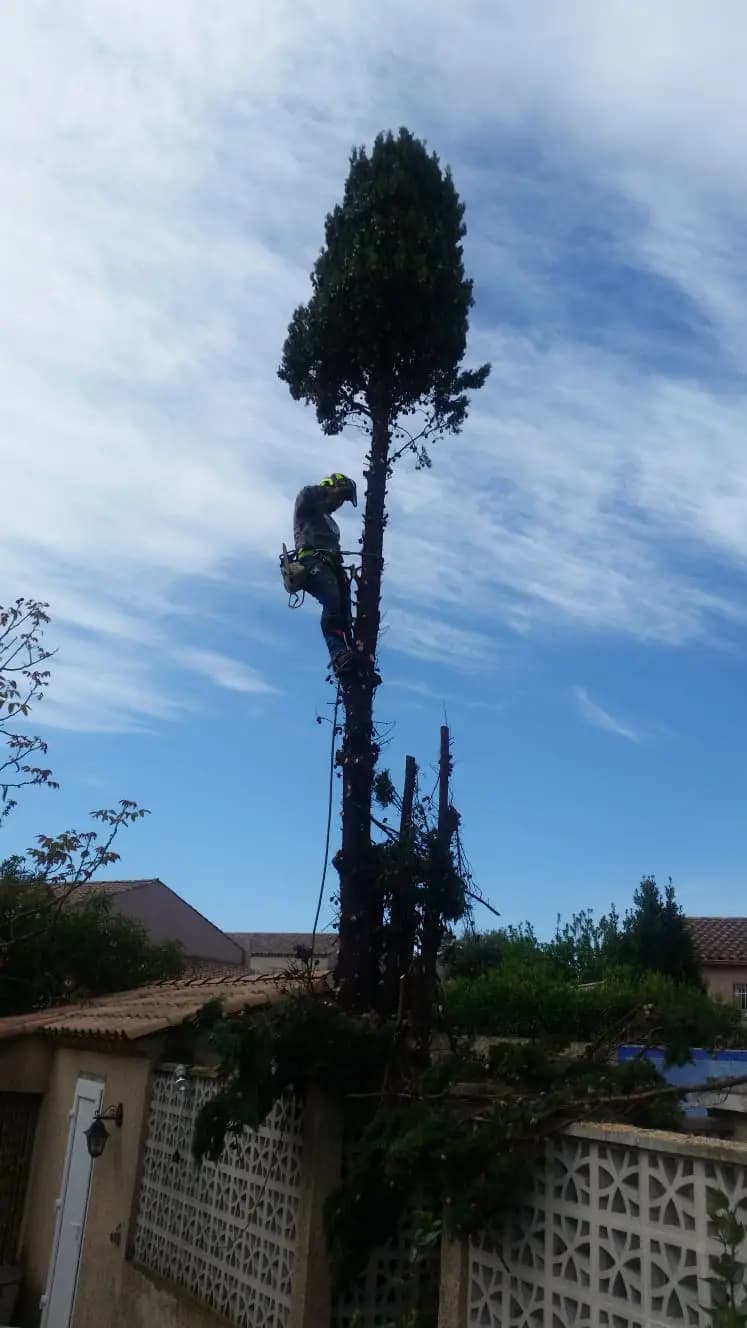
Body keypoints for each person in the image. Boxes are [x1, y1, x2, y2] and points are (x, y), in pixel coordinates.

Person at [294, 473, 359, 678]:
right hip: (311, 561)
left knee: (343, 611)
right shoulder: (308, 506)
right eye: (341, 497)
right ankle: (338, 653)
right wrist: (328, 491)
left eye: (343, 500)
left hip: (331, 565)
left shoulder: (330, 522)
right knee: (332, 600)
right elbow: (305, 494)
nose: (339, 503)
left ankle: (350, 654)